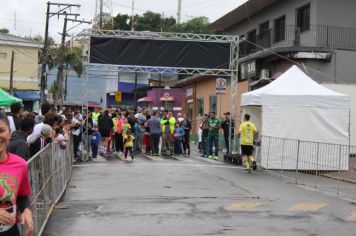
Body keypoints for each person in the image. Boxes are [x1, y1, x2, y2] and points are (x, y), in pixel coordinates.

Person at [0, 112, 33, 236]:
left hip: (11, 231)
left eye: (1, 130)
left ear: (9, 132)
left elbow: (22, 196)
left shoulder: (20, 164)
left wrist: (26, 210)